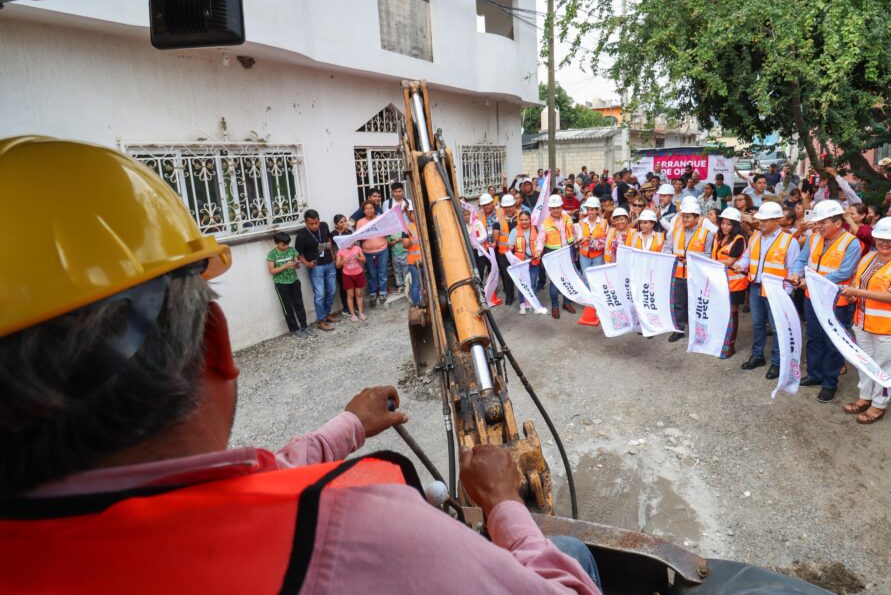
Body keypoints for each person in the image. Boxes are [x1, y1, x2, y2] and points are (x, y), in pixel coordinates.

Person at [0, 139, 601, 594]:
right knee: (572, 552)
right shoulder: (358, 530)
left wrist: (348, 425)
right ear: (216, 343)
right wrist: (502, 503)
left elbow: (258, 477)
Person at [839, 217, 891, 424]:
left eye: (890, 239)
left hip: (890, 328)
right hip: (863, 323)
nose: (885, 243)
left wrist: (858, 292)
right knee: (865, 363)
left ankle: (879, 405)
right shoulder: (868, 258)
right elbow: (859, 285)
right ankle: (865, 396)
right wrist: (854, 295)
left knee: (884, 368)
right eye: (881, 238)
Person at [792, 201, 862, 403]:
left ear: (838, 222)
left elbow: (844, 273)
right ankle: (814, 374)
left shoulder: (851, 243)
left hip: (837, 302)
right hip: (812, 298)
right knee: (814, 337)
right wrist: (796, 273)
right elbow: (801, 260)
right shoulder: (814, 237)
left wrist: (811, 281)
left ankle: (829, 383)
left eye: (823, 222)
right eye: (817, 222)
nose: (818, 226)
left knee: (833, 343)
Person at [736, 202, 801, 379]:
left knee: (777, 327)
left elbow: (793, 269)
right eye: (760, 220)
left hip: (777, 292)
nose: (761, 223)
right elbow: (747, 258)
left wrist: (786, 293)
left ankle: (778, 363)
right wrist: (740, 265)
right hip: (756, 287)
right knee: (757, 324)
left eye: (765, 220)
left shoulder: (789, 241)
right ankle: (757, 356)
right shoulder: (755, 237)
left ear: (777, 220)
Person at [665, 198, 713, 342]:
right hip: (678, 274)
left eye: (688, 217)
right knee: (678, 303)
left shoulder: (707, 234)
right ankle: (679, 329)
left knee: (696, 305)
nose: (684, 219)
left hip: (696, 276)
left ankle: (697, 331)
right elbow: (666, 248)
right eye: (683, 216)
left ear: (697, 218)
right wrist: (670, 256)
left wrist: (692, 258)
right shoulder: (675, 231)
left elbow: (710, 255)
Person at [713, 207, 748, 358]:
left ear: (735, 225)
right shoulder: (718, 236)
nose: (724, 227)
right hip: (720, 280)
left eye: (729, 224)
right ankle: (721, 340)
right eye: (723, 223)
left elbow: (729, 261)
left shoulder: (739, 239)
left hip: (735, 283)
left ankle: (730, 345)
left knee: (732, 312)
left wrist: (709, 263)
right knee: (721, 311)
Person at [297, 208, 340, 331]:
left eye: (316, 223)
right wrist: (307, 264)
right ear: (306, 222)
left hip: (329, 263)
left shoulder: (324, 226)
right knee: (320, 294)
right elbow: (298, 254)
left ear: (319, 220)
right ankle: (321, 321)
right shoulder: (301, 235)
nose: (315, 226)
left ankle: (326, 314)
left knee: (332, 291)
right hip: (316, 268)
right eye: (311, 224)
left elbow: (328, 240)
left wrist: (332, 256)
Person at [539, 194, 577, 319]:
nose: (556, 210)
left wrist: (576, 245)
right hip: (553, 254)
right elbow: (540, 240)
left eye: (558, 207)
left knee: (568, 279)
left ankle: (566, 303)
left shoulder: (567, 218)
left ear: (561, 207)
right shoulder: (545, 223)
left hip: (568, 252)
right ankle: (555, 306)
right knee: (555, 282)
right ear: (549, 209)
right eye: (553, 208)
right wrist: (539, 251)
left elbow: (573, 232)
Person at [267, 232, 309, 338]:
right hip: (281, 284)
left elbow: (297, 266)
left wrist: (296, 264)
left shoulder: (292, 250)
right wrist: (285, 266)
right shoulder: (272, 254)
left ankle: (304, 326)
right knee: (287, 307)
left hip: (294, 281)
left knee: (299, 305)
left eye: (287, 244)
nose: (286, 246)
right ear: (276, 243)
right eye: (283, 245)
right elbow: (272, 271)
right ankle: (294, 329)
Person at [509, 209, 547, 316]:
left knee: (533, 283)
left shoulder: (536, 229)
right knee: (522, 284)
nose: (524, 222)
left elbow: (540, 243)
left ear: (530, 220)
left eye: (526, 219)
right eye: (522, 220)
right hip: (520, 263)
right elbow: (510, 247)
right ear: (519, 220)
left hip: (534, 260)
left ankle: (534, 304)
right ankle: (522, 304)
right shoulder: (514, 231)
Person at [357, 201, 390, 307]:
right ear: (363, 211)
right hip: (367, 252)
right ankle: (372, 294)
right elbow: (359, 237)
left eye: (371, 208)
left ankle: (383, 293)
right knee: (371, 273)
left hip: (382, 249)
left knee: (382, 272)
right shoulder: (360, 222)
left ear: (374, 209)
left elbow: (387, 232)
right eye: (367, 208)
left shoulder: (380, 219)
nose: (369, 210)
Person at [491, 194, 520, 306]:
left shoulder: (522, 215)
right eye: (505, 207)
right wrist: (494, 242)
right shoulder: (498, 218)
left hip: (519, 251)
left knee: (521, 274)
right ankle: (509, 295)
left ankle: (524, 298)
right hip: (504, 253)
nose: (508, 209)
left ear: (514, 205)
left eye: (510, 206)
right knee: (507, 276)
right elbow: (495, 233)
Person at [336, 232, 368, 321]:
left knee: (359, 294)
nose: (350, 243)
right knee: (350, 295)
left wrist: (358, 258)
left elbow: (364, 260)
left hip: (358, 273)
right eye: (348, 241)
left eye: (351, 240)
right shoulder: (340, 251)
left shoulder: (357, 248)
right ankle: (353, 314)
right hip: (347, 275)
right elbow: (337, 266)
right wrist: (342, 261)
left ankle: (361, 313)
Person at [577, 196, 607, 277]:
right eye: (588, 209)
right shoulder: (582, 222)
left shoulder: (604, 223)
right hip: (584, 256)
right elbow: (579, 238)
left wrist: (589, 239)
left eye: (592, 210)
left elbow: (606, 240)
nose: (590, 212)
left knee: (597, 277)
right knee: (586, 277)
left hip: (598, 256)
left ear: (597, 210)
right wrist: (580, 240)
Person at [400, 204, 422, 306]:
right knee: (416, 283)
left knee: (427, 283)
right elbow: (405, 245)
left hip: (427, 260)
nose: (416, 215)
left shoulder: (424, 225)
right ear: (410, 215)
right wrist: (408, 243)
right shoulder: (407, 228)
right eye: (414, 213)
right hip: (414, 261)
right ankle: (417, 304)